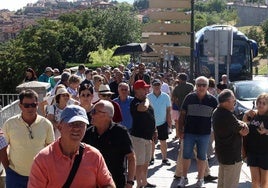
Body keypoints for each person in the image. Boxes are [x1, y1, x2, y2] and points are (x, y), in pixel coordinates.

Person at [28, 105, 115, 188]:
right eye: (72, 123)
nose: (77, 128)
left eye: (81, 124)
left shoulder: (94, 156)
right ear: (60, 127)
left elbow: (108, 184)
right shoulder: (43, 159)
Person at [2, 89, 55, 187]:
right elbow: (2, 147)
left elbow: (51, 148)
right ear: (20, 106)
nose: (30, 108)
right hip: (15, 176)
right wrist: (8, 169)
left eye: (33, 105)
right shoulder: (10, 124)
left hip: (40, 175)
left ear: (37, 104)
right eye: (26, 105)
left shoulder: (46, 124)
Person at [82, 100, 136, 187]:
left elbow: (131, 157)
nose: (91, 114)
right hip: (92, 183)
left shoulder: (120, 132)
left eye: (94, 111)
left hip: (115, 182)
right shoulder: (88, 133)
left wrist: (130, 182)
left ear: (107, 115)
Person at [177, 76, 218, 188]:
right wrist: (180, 130)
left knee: (202, 157)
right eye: (198, 85)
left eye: (203, 85)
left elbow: (217, 117)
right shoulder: (189, 98)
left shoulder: (213, 100)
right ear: (195, 85)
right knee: (186, 156)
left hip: (204, 134)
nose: (201, 87)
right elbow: (182, 115)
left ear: (208, 86)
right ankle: (183, 178)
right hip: (189, 132)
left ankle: (200, 179)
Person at [212, 89, 249, 188]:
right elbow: (244, 132)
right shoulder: (227, 116)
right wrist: (244, 123)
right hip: (232, 156)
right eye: (234, 101)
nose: (234, 104)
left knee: (222, 184)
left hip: (223, 154)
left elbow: (236, 123)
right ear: (226, 102)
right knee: (230, 185)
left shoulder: (217, 111)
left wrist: (239, 122)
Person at [130, 80, 156, 188]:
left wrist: (155, 130)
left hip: (148, 137)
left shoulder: (146, 100)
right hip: (138, 138)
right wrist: (146, 100)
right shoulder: (135, 102)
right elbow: (142, 108)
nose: (146, 90)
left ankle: (145, 182)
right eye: (144, 88)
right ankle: (139, 184)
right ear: (137, 90)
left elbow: (151, 116)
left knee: (146, 162)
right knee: (139, 163)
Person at [242, 93, 268, 188]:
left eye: (263, 103)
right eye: (259, 102)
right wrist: (246, 114)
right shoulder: (252, 115)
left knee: (264, 181)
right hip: (252, 152)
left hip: (265, 153)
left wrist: (266, 131)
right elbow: (243, 125)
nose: (260, 105)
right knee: (255, 180)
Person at [147, 79, 172, 166]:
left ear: (161, 85)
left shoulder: (166, 96)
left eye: (158, 85)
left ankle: (164, 158)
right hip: (151, 123)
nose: (157, 86)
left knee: (163, 141)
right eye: (155, 85)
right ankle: (151, 158)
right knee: (152, 142)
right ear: (152, 86)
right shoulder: (148, 97)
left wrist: (169, 122)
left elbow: (168, 110)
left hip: (163, 122)